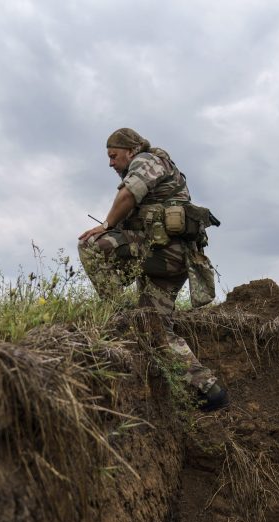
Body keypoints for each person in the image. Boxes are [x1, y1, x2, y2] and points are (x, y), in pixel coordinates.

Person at [78, 127, 229, 411]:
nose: (111, 163)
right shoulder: (161, 165)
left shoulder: (146, 160)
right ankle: (209, 391)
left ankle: (116, 313)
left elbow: (127, 196)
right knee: (154, 328)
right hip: (172, 259)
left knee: (90, 245)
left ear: (131, 150)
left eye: (114, 156)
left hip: (162, 254)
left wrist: (107, 226)